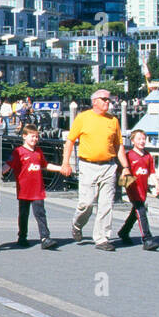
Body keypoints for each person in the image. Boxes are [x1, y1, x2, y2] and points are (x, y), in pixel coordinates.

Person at [60, 88, 125, 250]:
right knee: (86, 203)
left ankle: (102, 238)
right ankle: (77, 225)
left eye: (109, 99)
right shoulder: (83, 118)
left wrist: (126, 167)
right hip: (88, 165)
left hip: (109, 166)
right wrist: (65, 163)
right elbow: (70, 142)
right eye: (104, 99)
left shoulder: (113, 121)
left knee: (106, 204)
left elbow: (119, 146)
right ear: (94, 101)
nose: (108, 102)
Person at [5, 124, 69, 248]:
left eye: (36, 137)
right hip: (24, 190)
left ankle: (45, 237)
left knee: (40, 213)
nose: (35, 139)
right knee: (23, 214)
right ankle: (22, 237)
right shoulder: (18, 152)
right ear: (24, 136)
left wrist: (61, 168)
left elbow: (45, 165)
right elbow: (8, 165)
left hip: (37, 190)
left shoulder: (38, 151)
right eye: (32, 136)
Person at [118, 130, 159, 250]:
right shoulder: (129, 156)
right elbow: (123, 172)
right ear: (132, 141)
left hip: (143, 187)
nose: (142, 141)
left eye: (143, 139)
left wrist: (156, 184)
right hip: (133, 188)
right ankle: (147, 239)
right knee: (141, 211)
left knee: (136, 211)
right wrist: (124, 184)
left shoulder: (148, 156)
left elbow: (151, 172)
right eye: (139, 139)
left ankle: (124, 232)